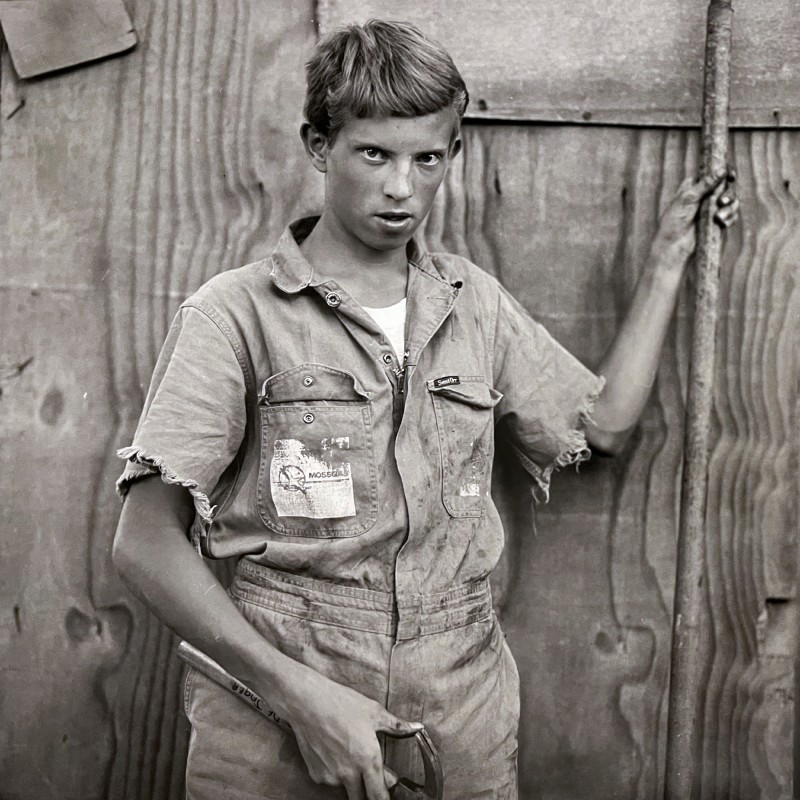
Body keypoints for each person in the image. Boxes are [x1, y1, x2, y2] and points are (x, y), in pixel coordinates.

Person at [112, 19, 739, 800]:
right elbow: (143, 544)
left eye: (427, 157)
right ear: (318, 146)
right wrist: (299, 698)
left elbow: (601, 425)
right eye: (374, 153)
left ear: (454, 155)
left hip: (459, 716)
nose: (402, 188)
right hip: (275, 730)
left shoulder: (473, 306)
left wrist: (670, 258)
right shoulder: (234, 315)